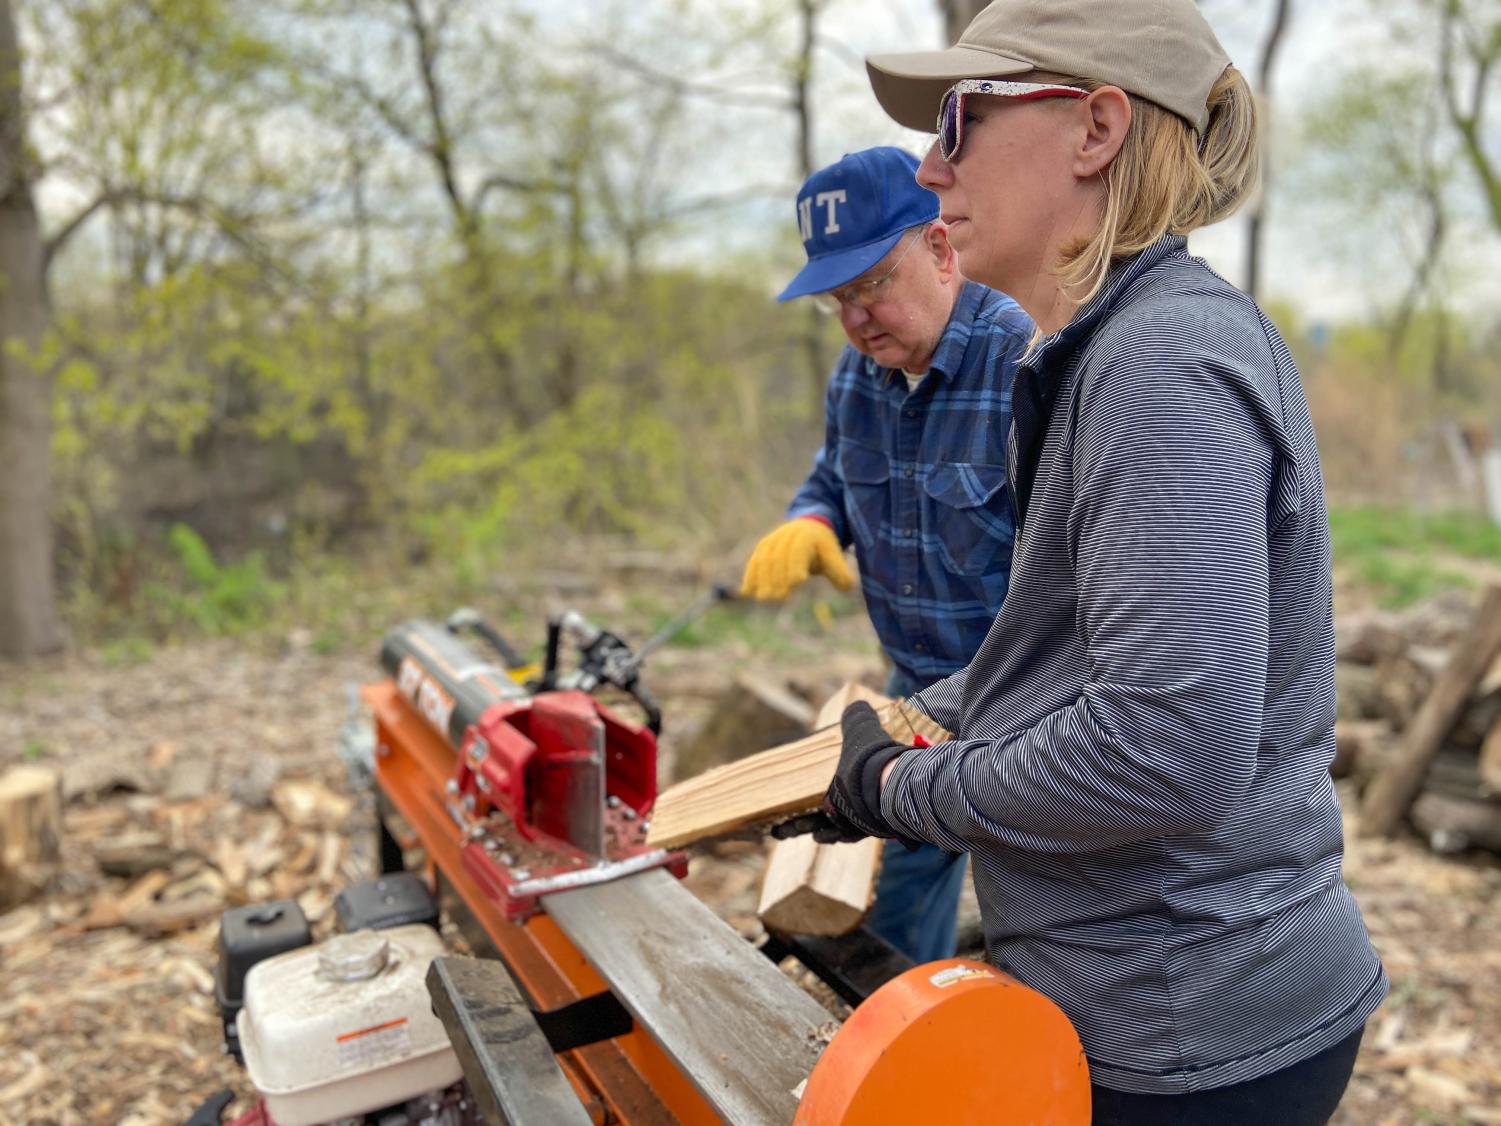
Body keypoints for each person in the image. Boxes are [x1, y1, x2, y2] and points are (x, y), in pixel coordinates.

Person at [807, 2, 1388, 1122]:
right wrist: (924, 715)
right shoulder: (1100, 348)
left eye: (960, 120)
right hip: (1142, 993)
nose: (930, 168)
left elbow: (1166, 747)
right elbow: (1062, 655)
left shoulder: (1160, 364)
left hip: (1193, 1025)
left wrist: (900, 790)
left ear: (1096, 130)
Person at [740, 146, 1033, 964]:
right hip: (913, 691)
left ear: (940, 249)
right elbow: (834, 472)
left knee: (1042, 919)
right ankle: (908, 1042)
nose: (858, 316)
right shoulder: (858, 377)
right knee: (892, 901)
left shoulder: (1026, 364)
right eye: (839, 298)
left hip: (1030, 704)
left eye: (873, 283)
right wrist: (812, 519)